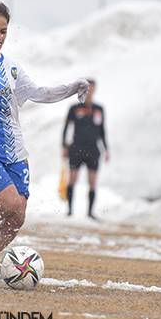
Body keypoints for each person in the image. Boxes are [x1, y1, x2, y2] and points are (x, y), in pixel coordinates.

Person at [0, 2, 89, 273]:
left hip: (12, 146)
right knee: (10, 203)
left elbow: (38, 93)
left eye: (3, 31)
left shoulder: (10, 66)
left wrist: (71, 88)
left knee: (18, 214)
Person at [62, 79, 108, 220]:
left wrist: (106, 149)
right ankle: (69, 211)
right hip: (76, 148)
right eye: (87, 89)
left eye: (92, 89)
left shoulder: (99, 109)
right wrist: (64, 146)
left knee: (92, 182)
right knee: (72, 179)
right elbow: (66, 128)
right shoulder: (74, 108)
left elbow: (102, 131)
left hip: (93, 149)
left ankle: (90, 212)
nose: (90, 92)